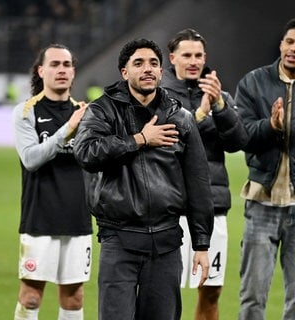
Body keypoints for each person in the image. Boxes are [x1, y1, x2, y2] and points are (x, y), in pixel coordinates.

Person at [73, 38, 214, 320]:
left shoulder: (180, 117)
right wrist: (139, 140)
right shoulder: (103, 110)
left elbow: (198, 180)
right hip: (119, 240)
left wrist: (201, 244)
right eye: (138, 63)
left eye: (153, 63)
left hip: (166, 242)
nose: (147, 69)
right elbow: (86, 154)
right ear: (124, 72)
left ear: (162, 71)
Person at [160, 28, 249, 320]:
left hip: (212, 207)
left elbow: (238, 142)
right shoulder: (159, 97)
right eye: (186, 55)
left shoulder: (219, 95)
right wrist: (200, 116)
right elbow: (172, 145)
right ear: (172, 58)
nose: (193, 61)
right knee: (162, 291)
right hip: (169, 209)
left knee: (211, 291)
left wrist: (221, 108)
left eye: (199, 55)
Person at [12, 43, 92, 320]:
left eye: (67, 64)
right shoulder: (26, 111)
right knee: (31, 296)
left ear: (73, 72)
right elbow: (31, 159)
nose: (62, 70)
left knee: (74, 298)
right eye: (55, 64)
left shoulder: (86, 114)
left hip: (78, 218)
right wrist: (67, 131)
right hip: (39, 219)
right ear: (41, 70)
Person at [235, 18, 295, 320]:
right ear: (282, 44)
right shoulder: (253, 82)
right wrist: (270, 127)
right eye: (290, 42)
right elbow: (242, 134)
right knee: (252, 297)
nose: (293, 49)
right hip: (262, 201)